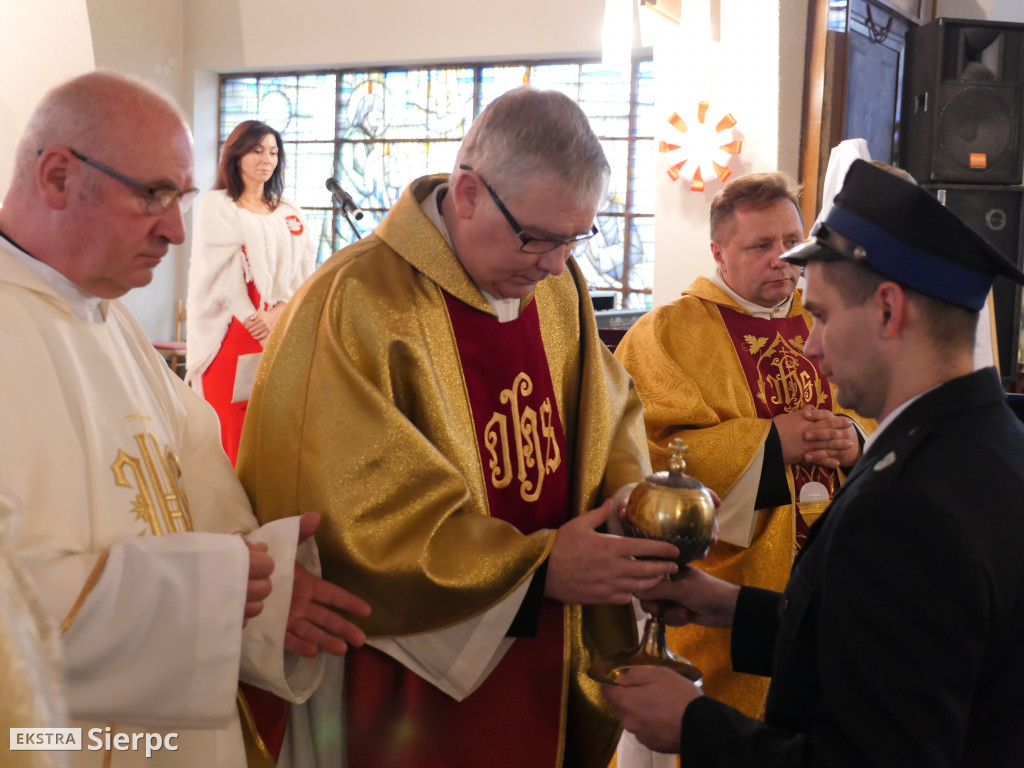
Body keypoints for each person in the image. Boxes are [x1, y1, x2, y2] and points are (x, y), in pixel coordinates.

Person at [237, 86, 682, 768]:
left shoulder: (554, 289)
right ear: (468, 193)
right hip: (411, 675)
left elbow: (610, 412)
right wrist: (533, 572)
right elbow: (353, 516)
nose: (556, 263)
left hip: (547, 651)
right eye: (537, 237)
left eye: (574, 238)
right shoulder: (356, 301)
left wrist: (628, 507)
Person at [0, 70, 370, 768]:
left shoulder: (107, 318)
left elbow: (197, 486)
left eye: (183, 199)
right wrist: (215, 592)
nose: (175, 229)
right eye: (153, 195)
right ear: (55, 177)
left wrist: (265, 597)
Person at [603, 159, 1024, 766]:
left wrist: (694, 725)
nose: (807, 344)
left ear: (887, 310)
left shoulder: (905, 510)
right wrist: (731, 606)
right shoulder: (993, 445)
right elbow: (880, 647)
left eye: (821, 315)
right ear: (719, 253)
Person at [613, 171, 871, 718]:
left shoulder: (829, 321)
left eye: (792, 242)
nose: (784, 258)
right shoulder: (665, 334)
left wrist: (856, 440)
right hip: (727, 588)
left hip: (840, 572)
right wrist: (770, 445)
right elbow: (647, 454)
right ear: (718, 251)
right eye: (761, 246)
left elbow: (879, 407)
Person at [185, 120, 317, 464]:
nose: (267, 159)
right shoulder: (218, 206)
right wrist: (254, 320)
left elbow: (304, 273)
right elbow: (218, 275)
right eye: (257, 150)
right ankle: (230, 515)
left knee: (274, 434)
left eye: (273, 152)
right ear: (237, 154)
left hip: (281, 330)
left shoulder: (289, 211)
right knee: (232, 434)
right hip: (234, 332)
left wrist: (280, 312)